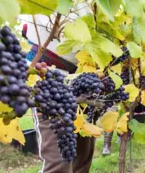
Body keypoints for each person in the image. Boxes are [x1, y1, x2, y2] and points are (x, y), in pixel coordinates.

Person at [23, 14, 96, 173]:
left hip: (84, 78)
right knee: (59, 165)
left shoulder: (94, 0)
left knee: (83, 159)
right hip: (48, 76)